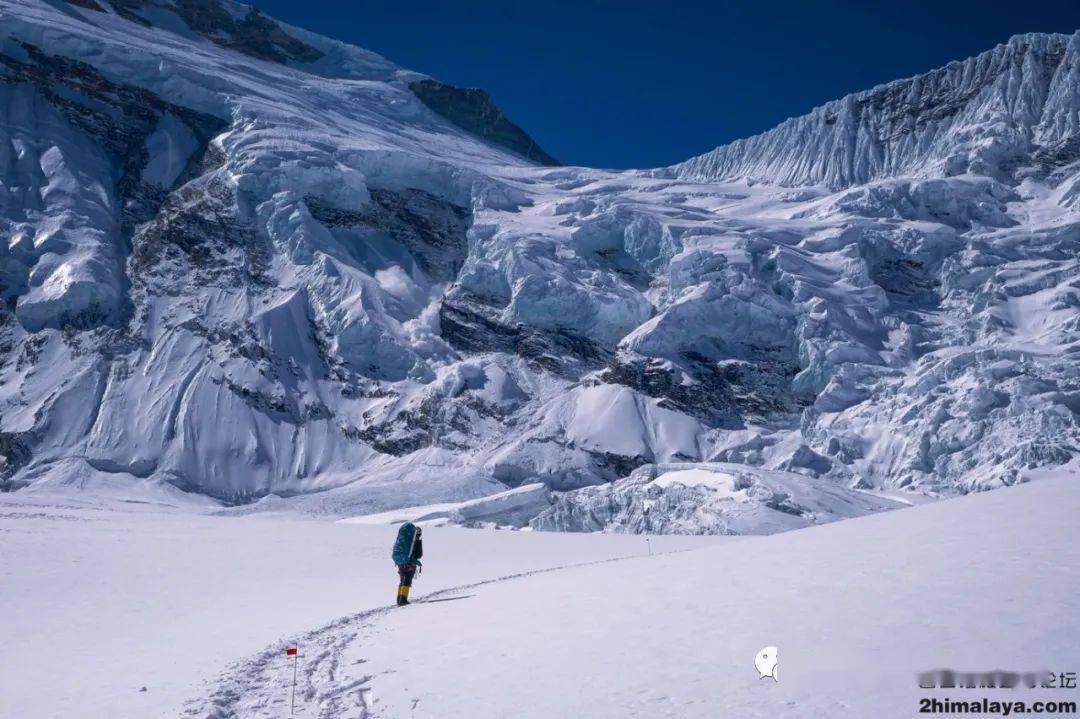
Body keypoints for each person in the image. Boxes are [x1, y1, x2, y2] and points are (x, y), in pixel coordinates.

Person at [392, 522, 423, 606]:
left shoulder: (402, 538)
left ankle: (399, 599)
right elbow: (419, 554)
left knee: (402, 580)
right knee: (407, 581)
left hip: (400, 562)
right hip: (409, 563)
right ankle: (403, 600)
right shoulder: (413, 540)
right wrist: (419, 538)